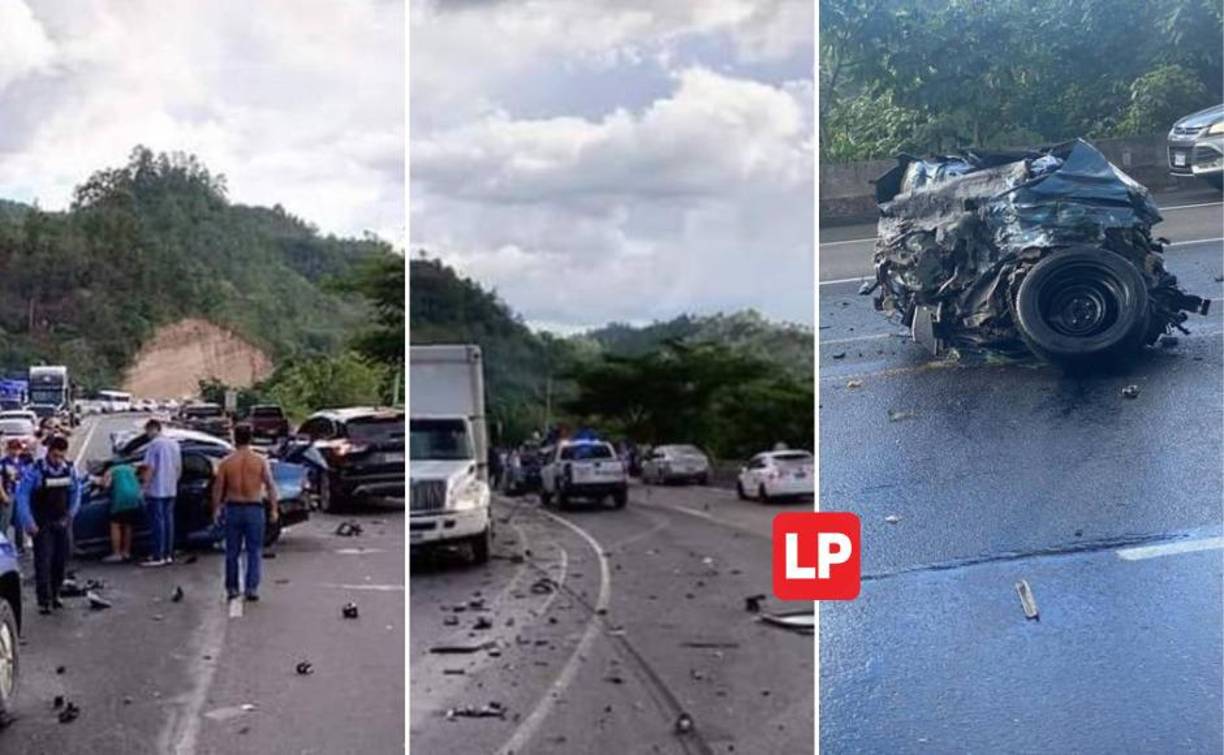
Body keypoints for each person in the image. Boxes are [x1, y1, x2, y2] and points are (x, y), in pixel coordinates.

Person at [15, 436, 82, 614]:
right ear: (48, 452)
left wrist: (71, 515)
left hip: (62, 520)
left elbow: (76, 493)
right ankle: (44, 600)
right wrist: (28, 521)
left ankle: (56, 593)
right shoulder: (35, 470)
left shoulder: (69, 470)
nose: (57, 460)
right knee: (43, 561)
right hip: (41, 522)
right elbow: (22, 496)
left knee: (61, 559)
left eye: (61, 456)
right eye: (54, 456)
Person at [210, 424, 278, 602]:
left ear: (234, 438)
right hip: (254, 508)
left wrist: (216, 509)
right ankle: (251, 588)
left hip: (233, 507)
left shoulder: (226, 462)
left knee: (232, 551)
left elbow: (218, 488)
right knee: (254, 550)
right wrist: (274, 509)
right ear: (251, 438)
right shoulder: (260, 460)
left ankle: (232, 588)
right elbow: (270, 486)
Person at [140, 418, 181, 567]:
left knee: (157, 523)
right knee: (169, 522)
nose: (147, 434)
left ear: (153, 429)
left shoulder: (154, 445)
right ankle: (168, 554)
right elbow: (178, 468)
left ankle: (158, 555)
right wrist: (174, 481)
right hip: (171, 488)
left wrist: (144, 487)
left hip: (157, 489)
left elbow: (149, 468)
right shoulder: (174, 444)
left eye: (147, 431)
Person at [98, 461, 143, 563]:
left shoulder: (110, 471)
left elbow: (106, 485)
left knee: (115, 524)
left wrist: (101, 483)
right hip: (134, 498)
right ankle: (126, 552)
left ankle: (116, 553)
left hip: (120, 498)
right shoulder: (130, 468)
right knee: (128, 524)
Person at [0, 439, 23, 553]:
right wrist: (3, 495)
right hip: (8, 495)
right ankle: (2, 547)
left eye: (17, 449)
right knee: (5, 523)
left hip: (19, 495)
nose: (15, 451)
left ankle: (20, 547)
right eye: (12, 449)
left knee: (19, 522)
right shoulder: (3, 463)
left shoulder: (21, 461)